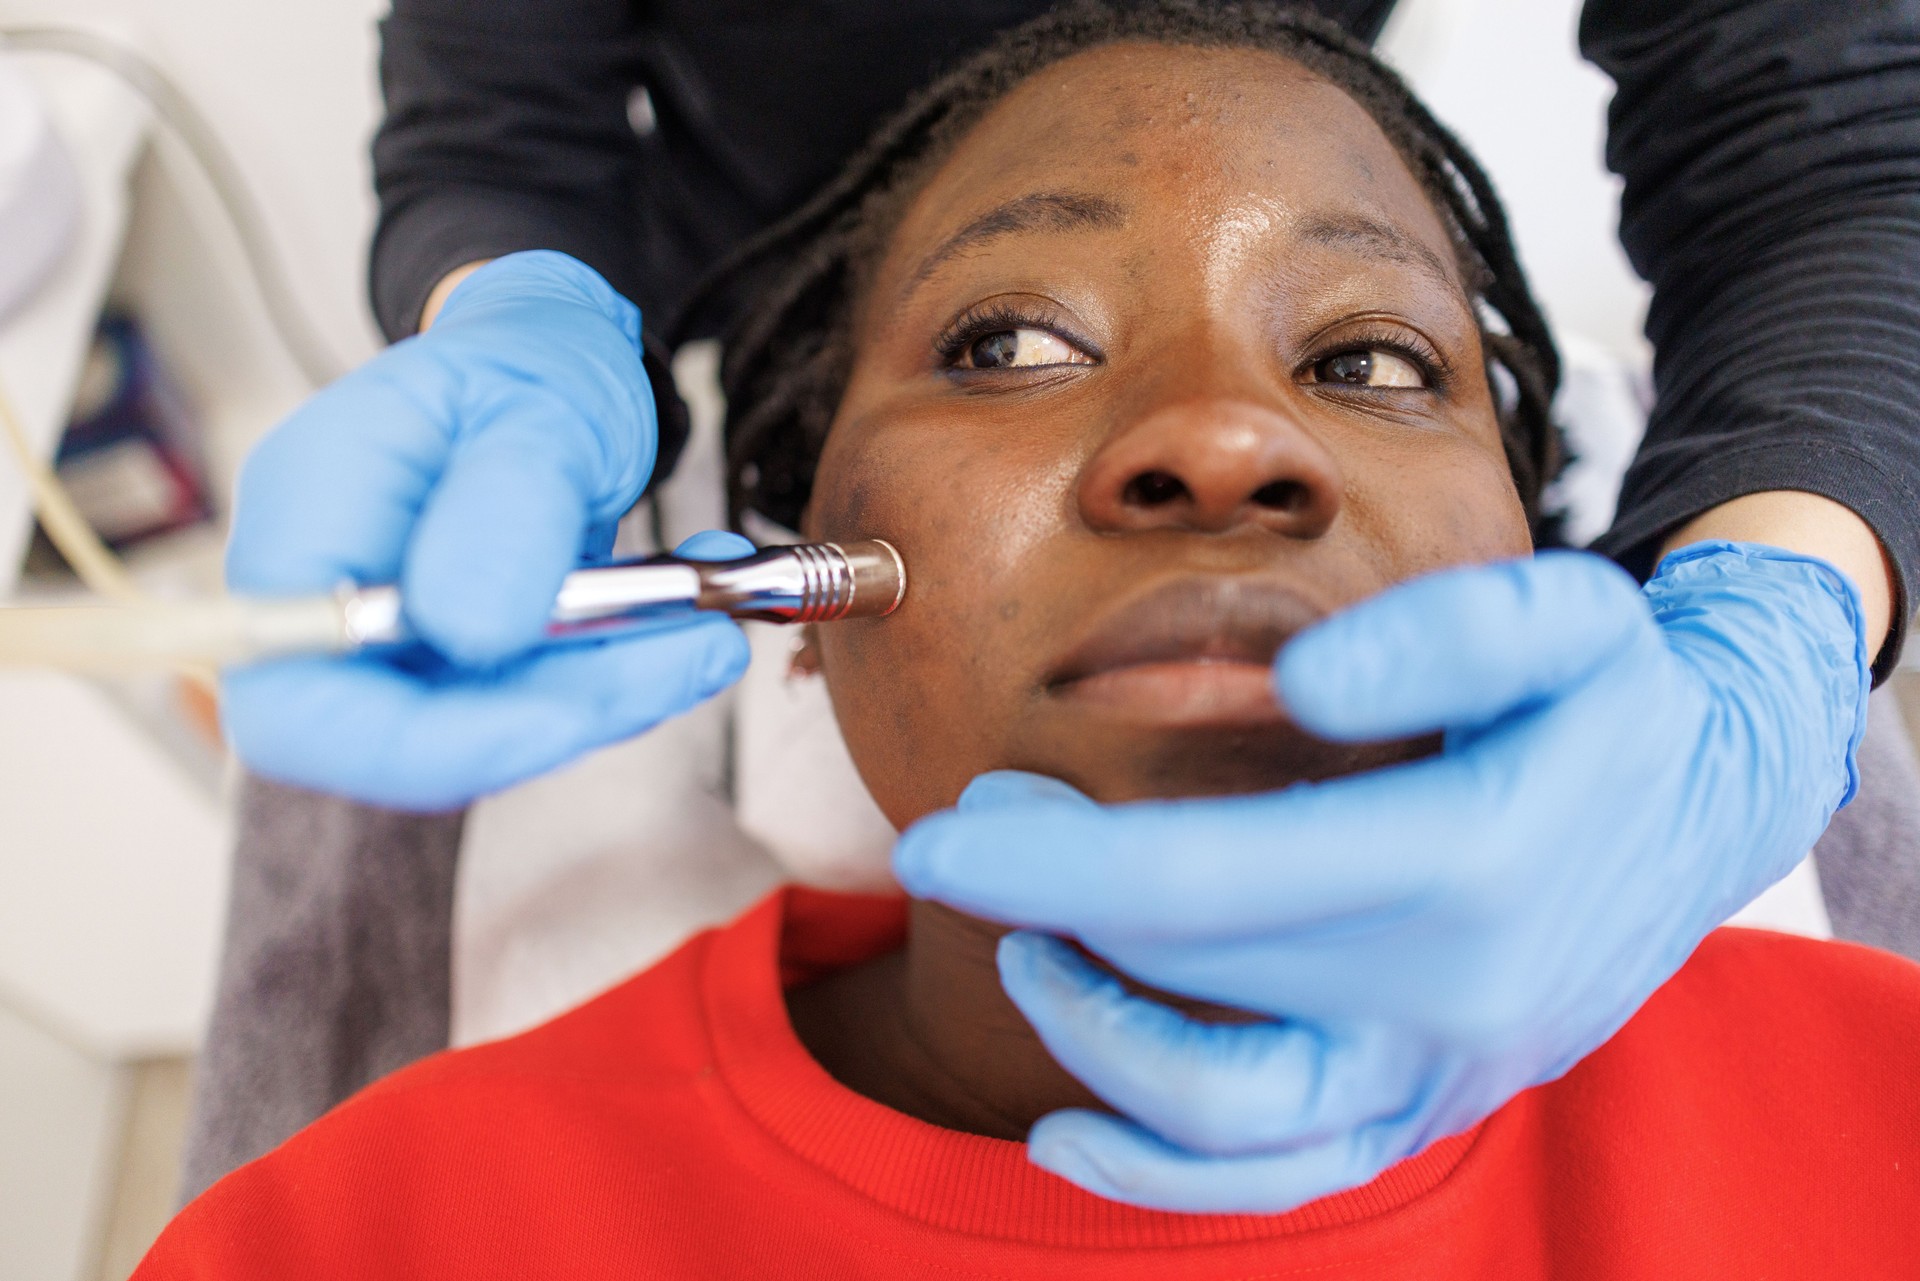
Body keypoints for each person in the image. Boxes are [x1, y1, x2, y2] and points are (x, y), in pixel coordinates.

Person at [140, 14, 1920, 1273]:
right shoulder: (358, 1241)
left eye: (1370, 359)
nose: (1223, 440)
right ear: (801, 599)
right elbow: (494, 125)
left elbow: (1826, 138)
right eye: (1008, 344)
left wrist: (1785, 619)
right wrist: (510, 306)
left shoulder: (1879, 1124)